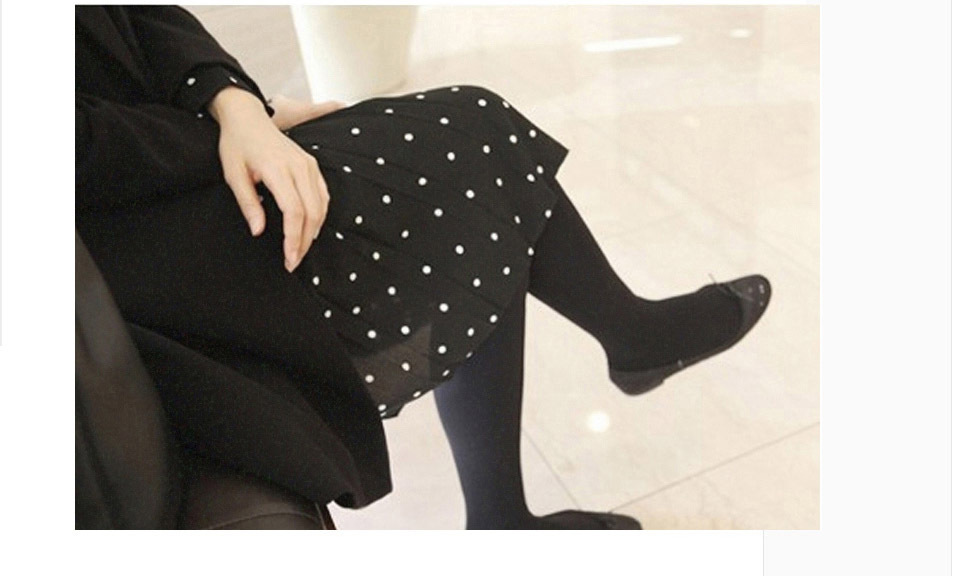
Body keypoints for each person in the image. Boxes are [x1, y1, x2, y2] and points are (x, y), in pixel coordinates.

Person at [76, 6, 770, 530]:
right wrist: (219, 132)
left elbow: (136, 12)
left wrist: (235, 104)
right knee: (459, 152)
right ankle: (627, 347)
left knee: (458, 156)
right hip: (137, 232)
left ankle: (511, 502)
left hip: (176, 144)